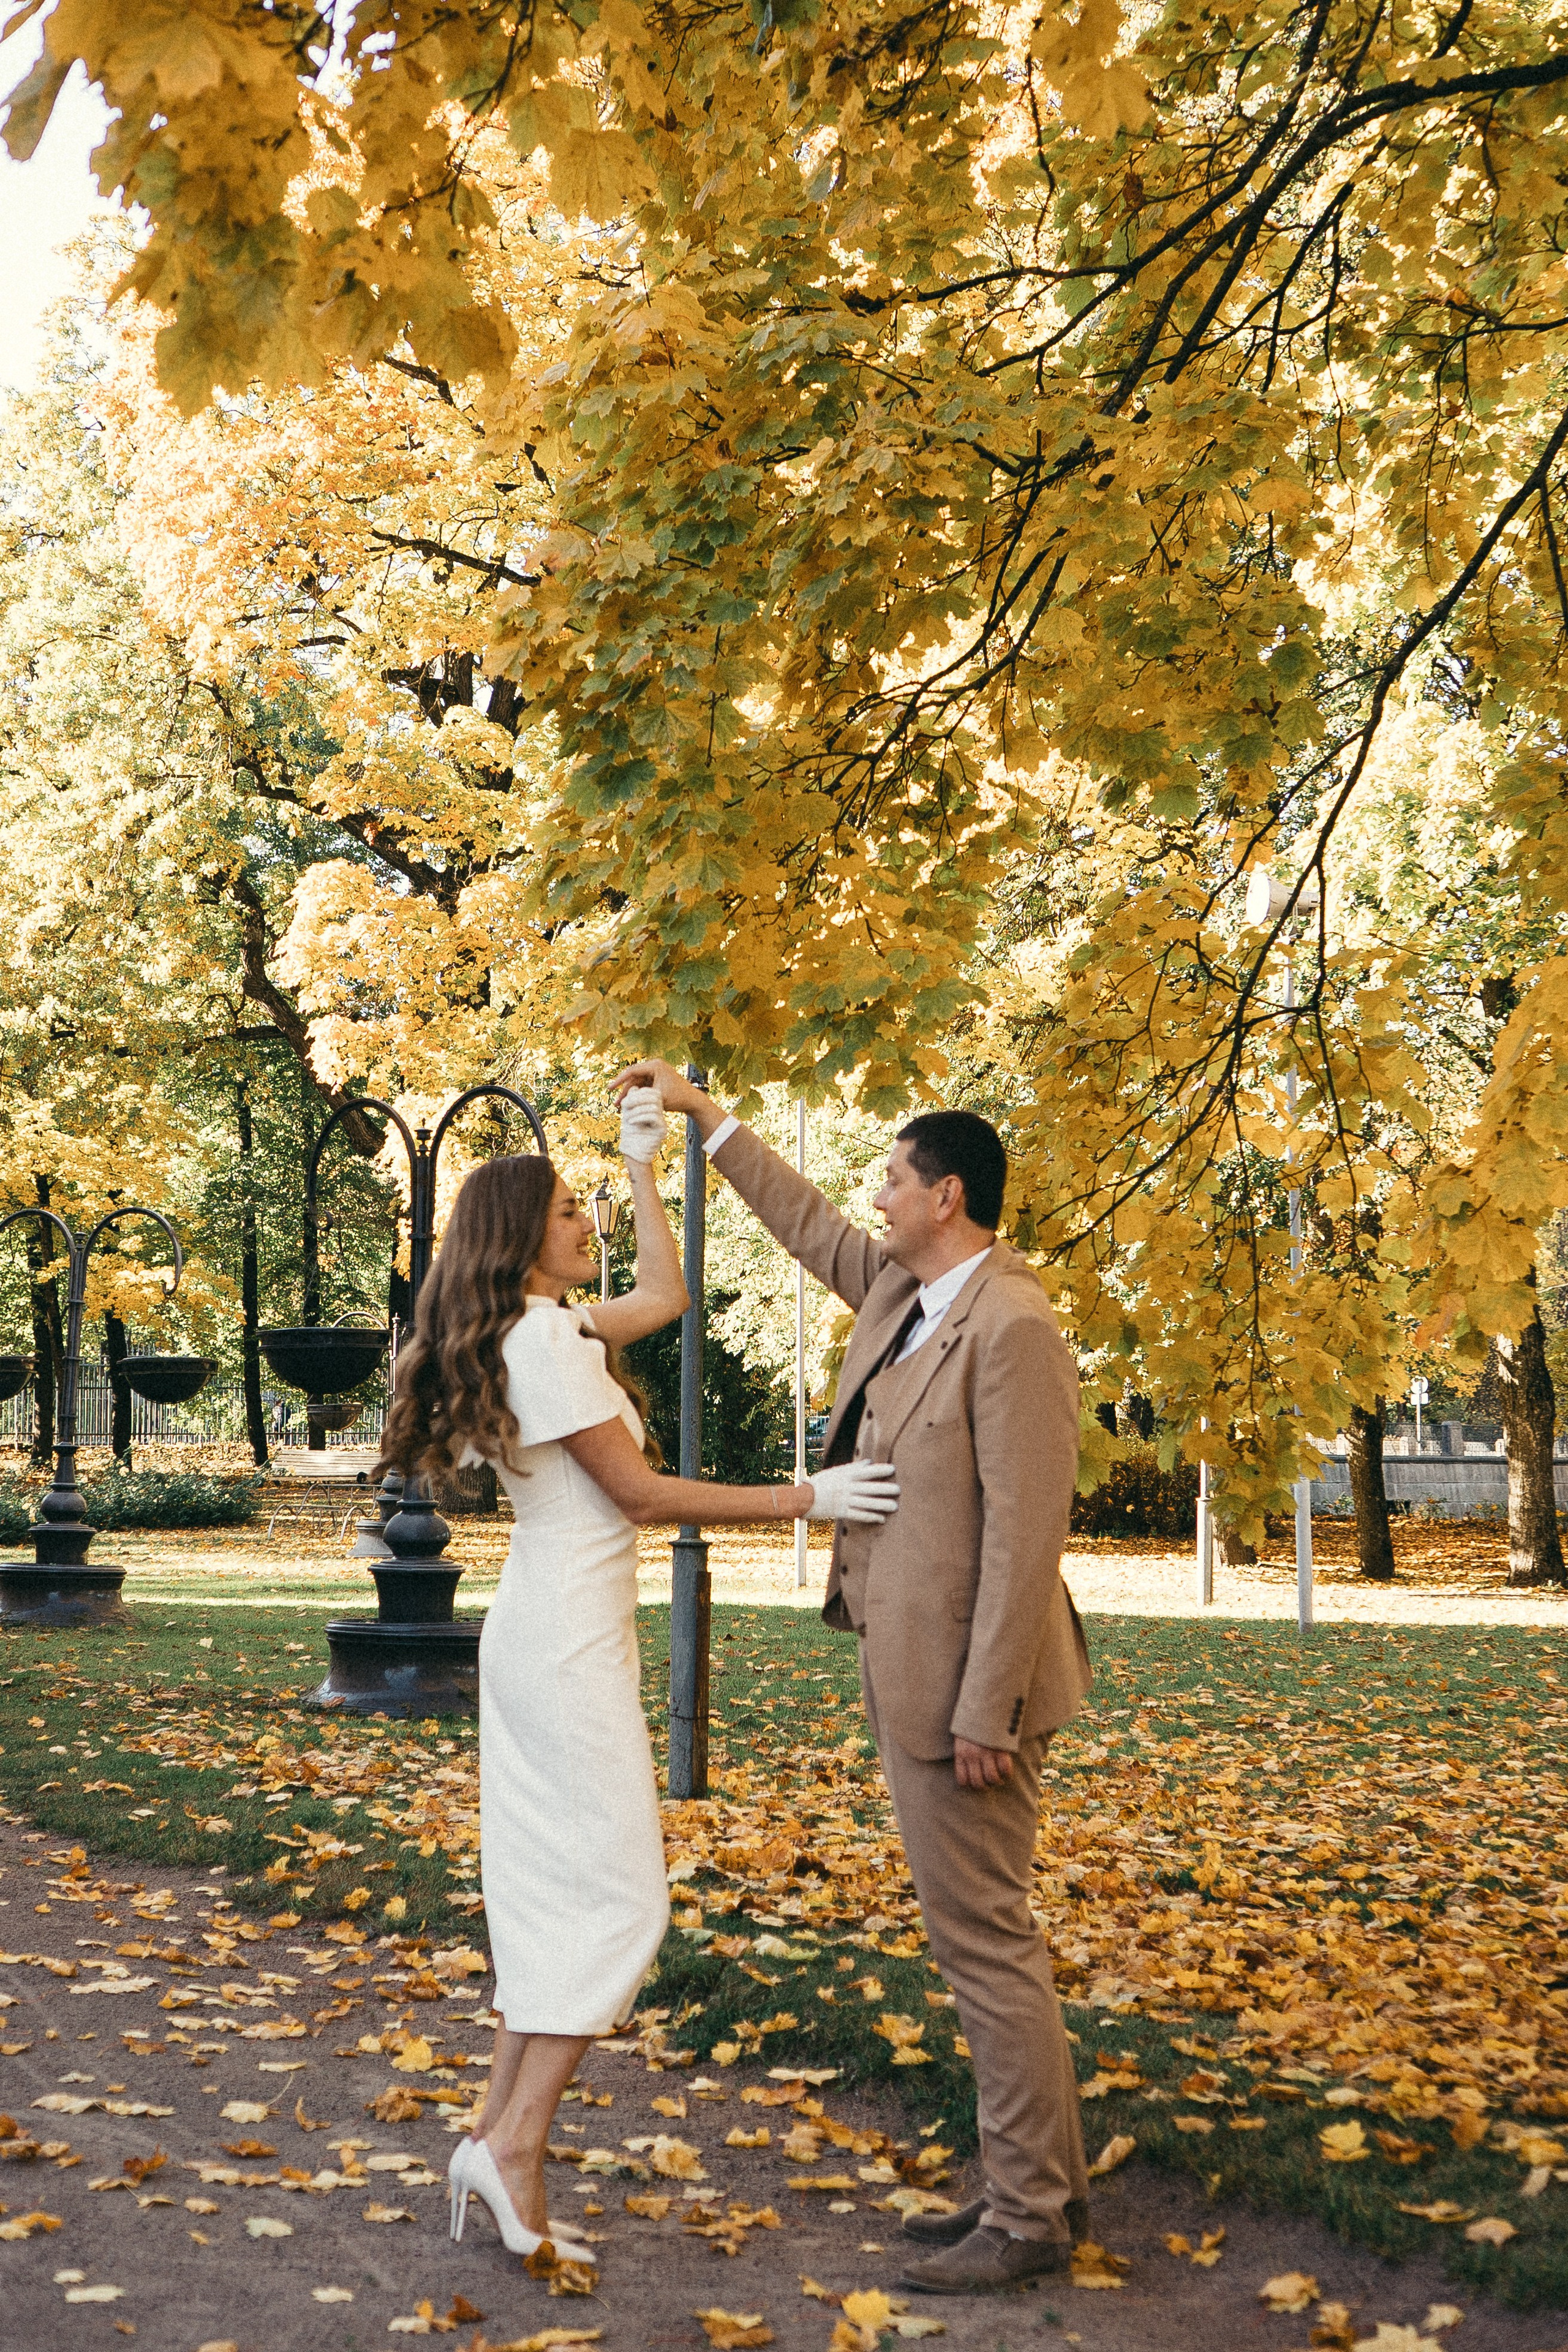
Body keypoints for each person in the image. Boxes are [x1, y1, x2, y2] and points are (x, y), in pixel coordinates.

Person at [376, 1089, 899, 2271]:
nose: (588, 1226)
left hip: (558, 1635)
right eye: (569, 1212)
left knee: (562, 1896)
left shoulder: (540, 1327)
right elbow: (645, 1497)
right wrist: (810, 1496)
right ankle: (514, 2150)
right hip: (560, 1647)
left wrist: (646, 1166)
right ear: (515, 1234)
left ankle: (495, 2137)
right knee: (618, 1902)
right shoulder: (540, 1340)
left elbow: (665, 1297)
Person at [612, 1062, 1093, 2293]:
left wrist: (986, 1705)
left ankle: (1029, 2216)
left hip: (968, 1698)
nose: (872, 1197)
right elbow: (805, 1221)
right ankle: (1028, 2188)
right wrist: (706, 1119)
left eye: (890, 1179)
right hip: (913, 1674)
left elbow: (1025, 1537)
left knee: (983, 1939)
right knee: (971, 1935)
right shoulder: (905, 1293)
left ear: (944, 1196)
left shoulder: (1013, 1325)